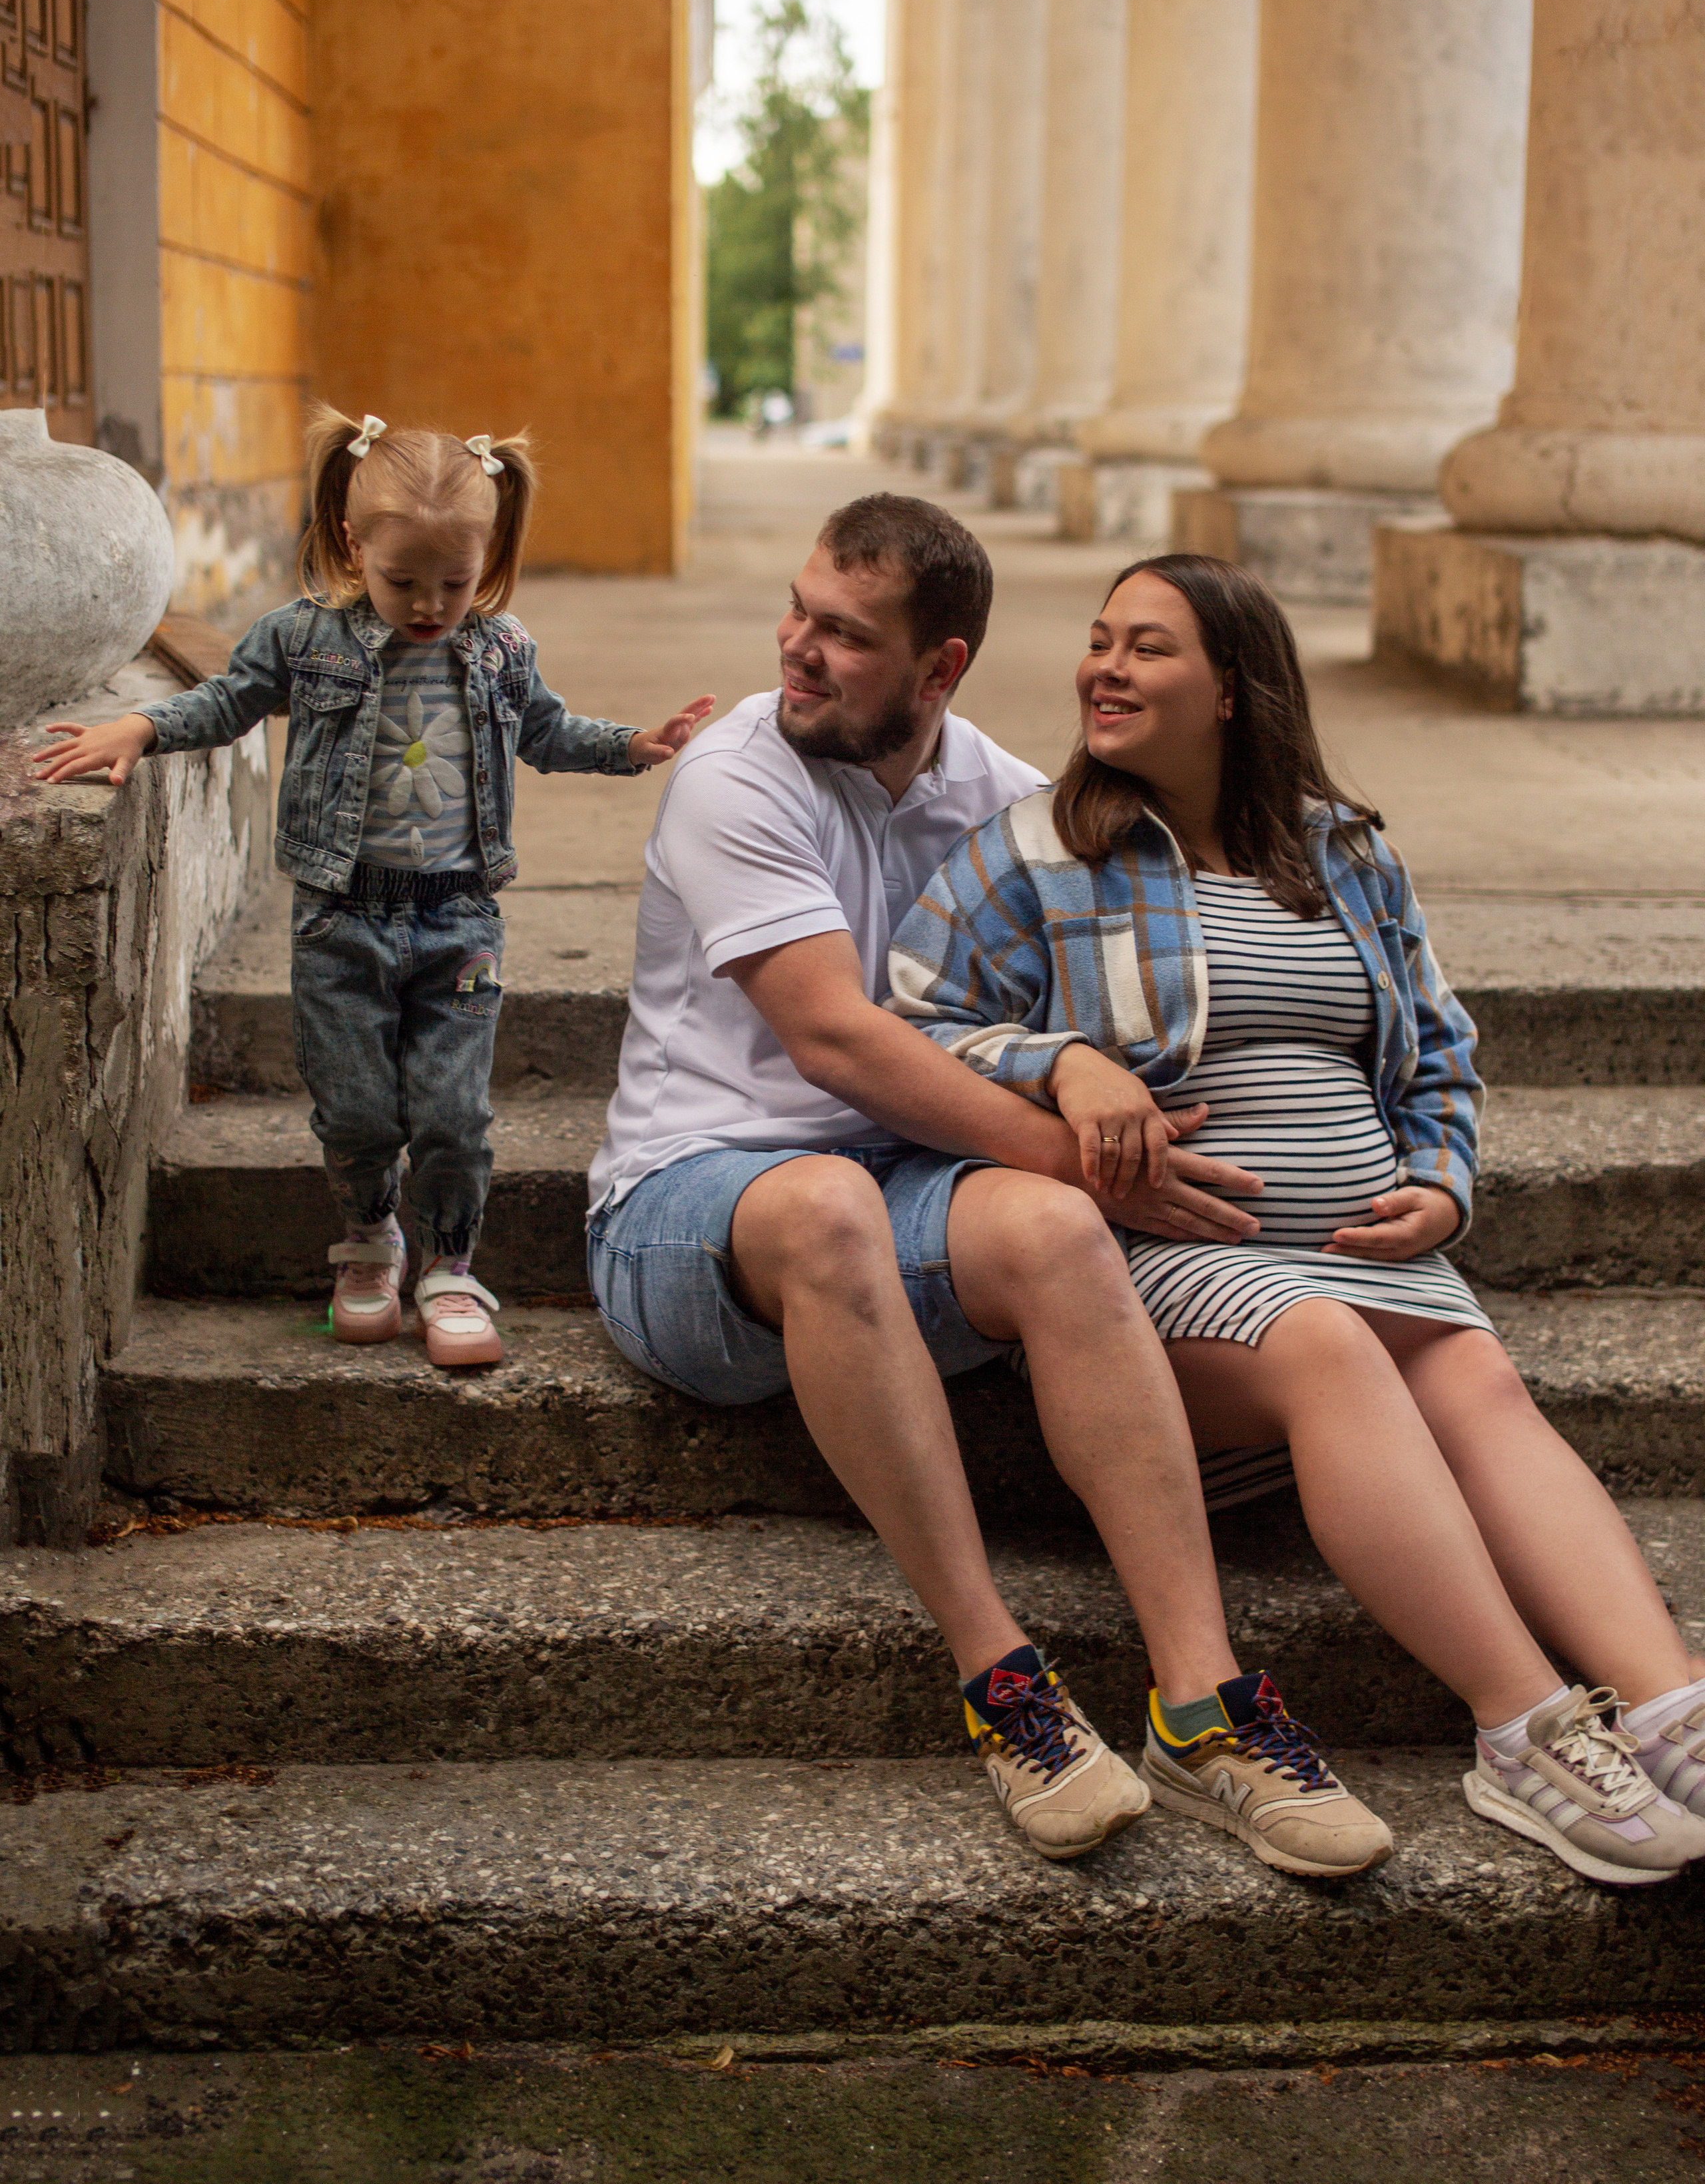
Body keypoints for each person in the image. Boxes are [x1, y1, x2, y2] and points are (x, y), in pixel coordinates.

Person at [587, 493, 1393, 1876]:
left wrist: (1075, 1069)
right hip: (686, 1213)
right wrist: (1067, 1133)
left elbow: (1097, 996)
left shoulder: (1008, 802)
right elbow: (833, 1037)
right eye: (798, 613)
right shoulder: (734, 776)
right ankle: (1002, 1683)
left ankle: (1200, 1709)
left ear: (939, 668)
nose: (796, 649)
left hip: (897, 1195)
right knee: (850, 1202)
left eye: (844, 635)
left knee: (1055, 1223)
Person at [887, 550, 1705, 1889]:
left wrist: (1440, 1183)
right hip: (1171, 1271)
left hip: (1368, 1267)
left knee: (1478, 1374)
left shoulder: (1342, 852)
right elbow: (910, 1026)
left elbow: (1437, 1047)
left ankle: (1665, 1705)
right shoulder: (1036, 851)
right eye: (1099, 642)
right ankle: (1522, 1729)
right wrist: (1061, 1064)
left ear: (1230, 688)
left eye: (1146, 647)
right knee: (1326, 1343)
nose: (1103, 667)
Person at [31, 407, 713, 1370]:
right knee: (354, 1109)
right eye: (403, 581)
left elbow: (548, 730)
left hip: (458, 918)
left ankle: (450, 1266)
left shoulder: (500, 650)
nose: (429, 603)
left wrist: (633, 747)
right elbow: (226, 702)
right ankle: (367, 1244)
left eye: (455, 581)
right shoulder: (303, 639)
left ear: (490, 559)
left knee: (452, 1113)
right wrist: (142, 730)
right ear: (353, 543)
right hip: (340, 919)